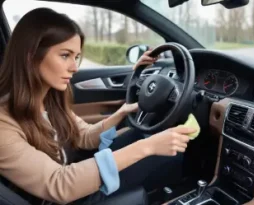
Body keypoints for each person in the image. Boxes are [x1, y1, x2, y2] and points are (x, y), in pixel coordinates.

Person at [0, 8, 195, 205]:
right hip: (62, 196)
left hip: (71, 179)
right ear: (30, 55)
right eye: (65, 55)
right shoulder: (3, 123)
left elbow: (83, 136)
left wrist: (121, 112)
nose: (74, 67)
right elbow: (58, 183)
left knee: (139, 136)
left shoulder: (50, 99)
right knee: (166, 154)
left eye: (76, 57)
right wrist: (148, 147)